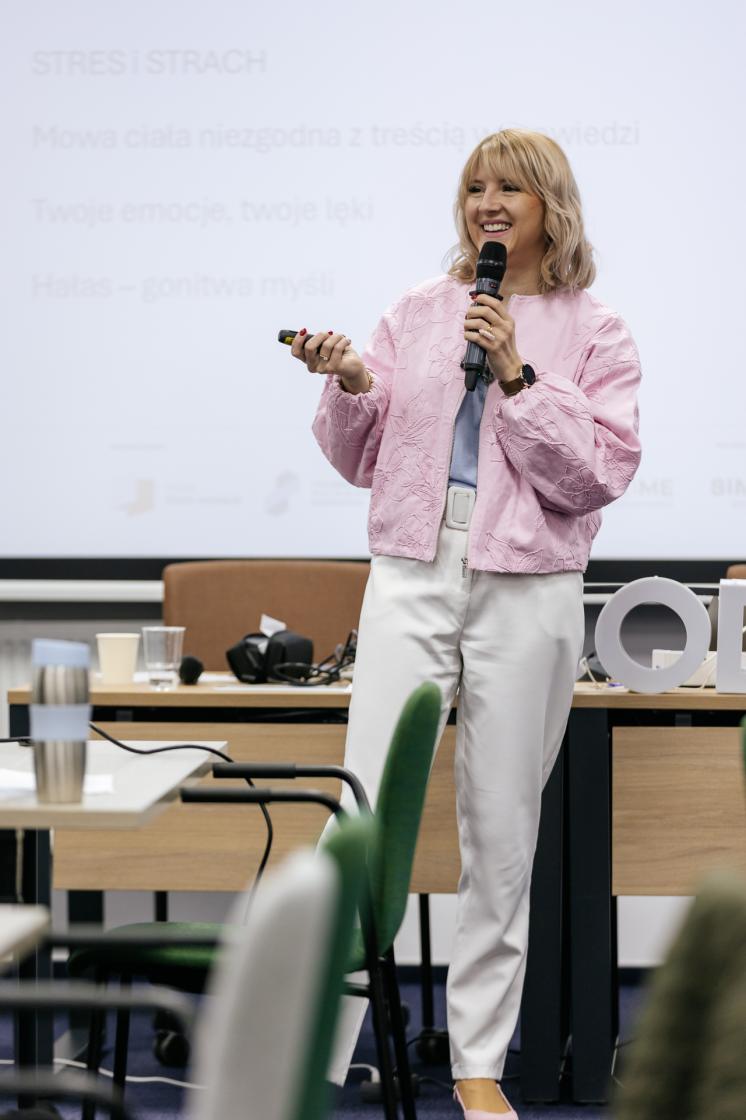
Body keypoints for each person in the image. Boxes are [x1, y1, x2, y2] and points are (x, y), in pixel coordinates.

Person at [291, 128, 641, 1118]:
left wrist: (519, 374)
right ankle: (315, 1050)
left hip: (527, 583)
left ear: (548, 206)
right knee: (363, 811)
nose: (487, 201)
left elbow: (594, 477)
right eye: (475, 186)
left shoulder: (597, 330)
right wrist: (351, 382)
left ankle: (478, 1062)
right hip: (413, 565)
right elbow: (360, 456)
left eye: (509, 188)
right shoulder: (417, 310)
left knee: (500, 828)